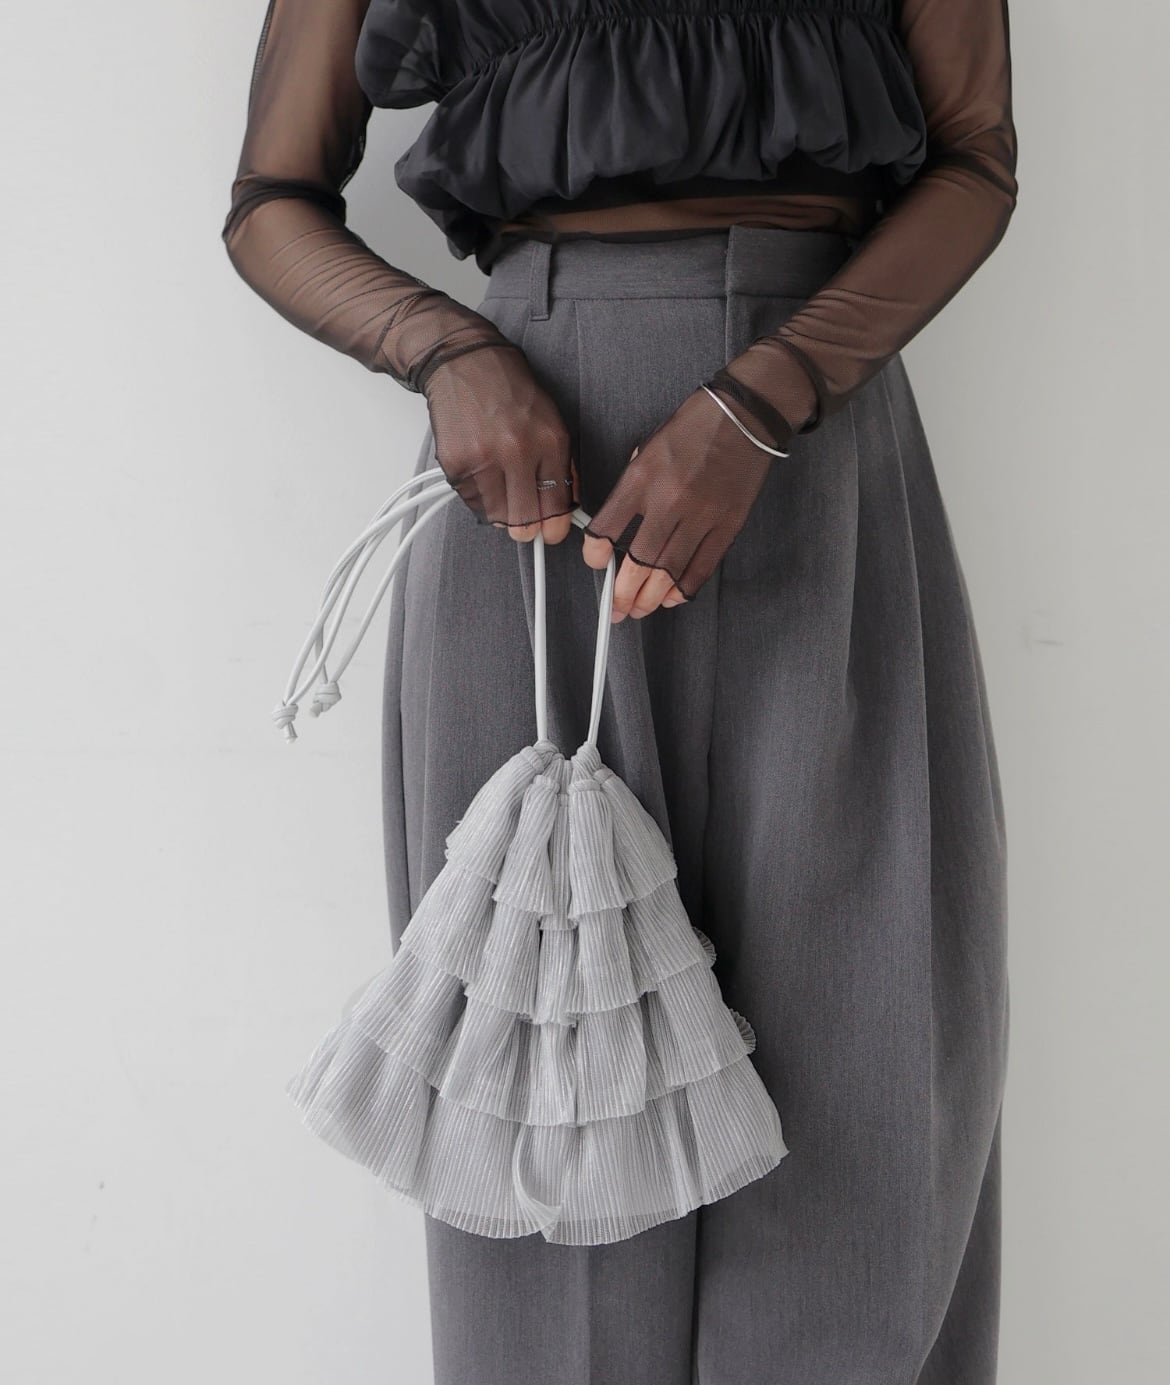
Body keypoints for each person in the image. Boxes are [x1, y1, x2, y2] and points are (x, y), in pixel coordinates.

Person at [222, 2, 1017, 1381]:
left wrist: (764, 397)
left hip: (814, 449)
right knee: (547, 1068)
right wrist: (448, 353)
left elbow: (974, 159)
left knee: (866, 1050)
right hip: (523, 471)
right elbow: (271, 200)